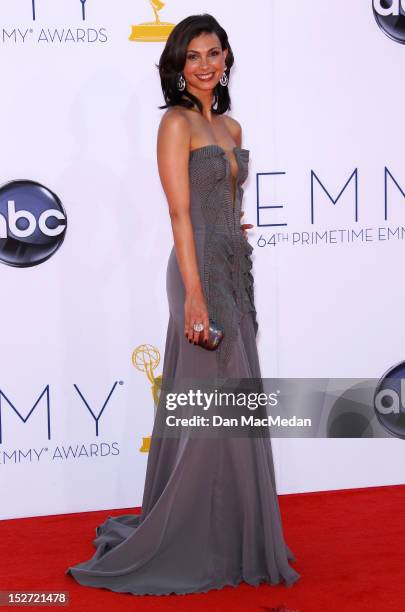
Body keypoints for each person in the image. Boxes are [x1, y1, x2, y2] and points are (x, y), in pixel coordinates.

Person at [65, 13, 300, 595]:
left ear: (226, 59)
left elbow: (219, 198)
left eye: (213, 53)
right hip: (198, 276)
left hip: (232, 267)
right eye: (192, 55)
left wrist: (230, 228)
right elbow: (177, 214)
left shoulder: (233, 127)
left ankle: (232, 534)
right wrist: (194, 294)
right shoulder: (175, 123)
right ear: (177, 65)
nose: (204, 64)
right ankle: (192, 541)